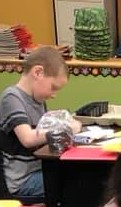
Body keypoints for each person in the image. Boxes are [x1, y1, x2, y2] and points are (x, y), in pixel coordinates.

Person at [0, 46, 81, 197]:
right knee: (76, 184)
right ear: (38, 72)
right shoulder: (11, 98)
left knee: (82, 175)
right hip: (23, 181)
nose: (54, 95)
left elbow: (44, 137)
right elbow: (29, 139)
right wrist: (65, 128)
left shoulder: (38, 100)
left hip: (41, 170)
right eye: (53, 88)